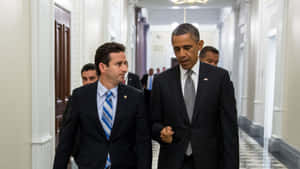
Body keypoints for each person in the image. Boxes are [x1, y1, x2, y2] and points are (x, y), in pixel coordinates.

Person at [151, 23, 239, 169]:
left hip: (209, 161)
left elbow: (229, 129)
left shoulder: (219, 78)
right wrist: (161, 131)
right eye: (176, 49)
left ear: (199, 45)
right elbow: (153, 122)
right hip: (173, 161)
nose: (181, 54)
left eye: (187, 48)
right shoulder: (162, 81)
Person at [53, 42, 151, 169]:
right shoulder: (80, 96)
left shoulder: (135, 97)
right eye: (118, 64)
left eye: (125, 63)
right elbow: (66, 140)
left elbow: (143, 143)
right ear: (103, 67)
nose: (125, 69)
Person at [60, 63, 98, 169]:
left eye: (92, 78)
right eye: (84, 79)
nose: (87, 82)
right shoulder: (76, 98)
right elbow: (66, 130)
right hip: (81, 157)